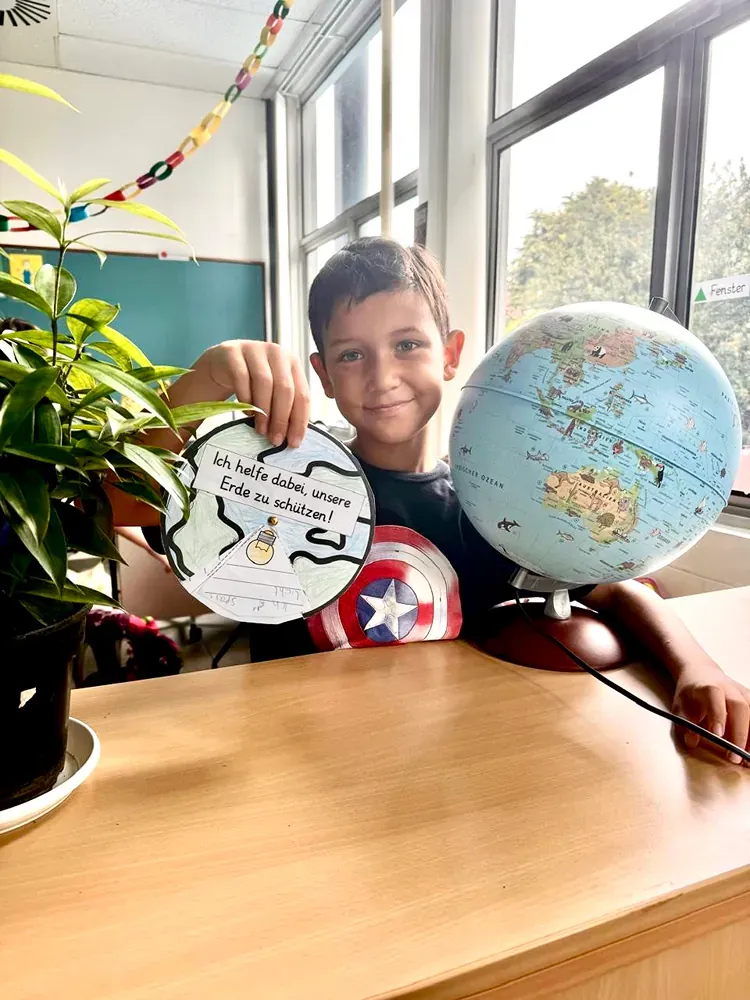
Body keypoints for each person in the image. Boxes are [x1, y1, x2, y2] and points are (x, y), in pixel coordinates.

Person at [123, 238, 749, 764]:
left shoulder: (495, 503)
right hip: (292, 763)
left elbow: (614, 586)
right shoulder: (281, 483)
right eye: (351, 355)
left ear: (450, 354)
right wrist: (200, 384)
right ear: (322, 374)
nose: (382, 376)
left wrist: (696, 668)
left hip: (445, 766)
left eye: (407, 345)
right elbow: (121, 501)